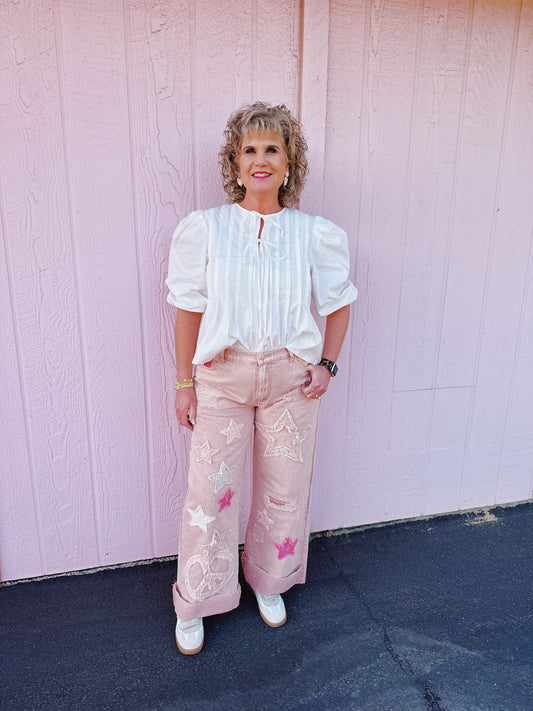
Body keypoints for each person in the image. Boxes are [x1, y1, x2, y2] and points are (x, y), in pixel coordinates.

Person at [166, 102, 357, 654]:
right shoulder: (207, 228)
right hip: (222, 376)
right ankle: (198, 597)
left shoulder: (312, 233)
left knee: (284, 490)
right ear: (235, 162)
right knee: (211, 492)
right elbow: (187, 308)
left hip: (289, 379)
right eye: (249, 150)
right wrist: (184, 383)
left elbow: (339, 303)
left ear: (289, 162)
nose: (260, 159)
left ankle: (269, 581)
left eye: (271, 148)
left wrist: (327, 364)